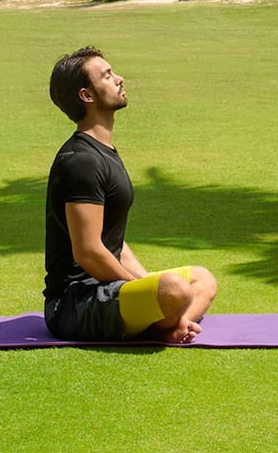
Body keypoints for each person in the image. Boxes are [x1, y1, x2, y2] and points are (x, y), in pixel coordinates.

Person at [43, 48, 218, 344]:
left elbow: (114, 243)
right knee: (174, 290)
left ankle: (172, 325)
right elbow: (87, 252)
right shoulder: (81, 161)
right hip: (75, 304)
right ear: (87, 96)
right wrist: (146, 289)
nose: (119, 79)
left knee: (202, 279)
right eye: (107, 76)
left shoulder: (104, 152)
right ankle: (167, 324)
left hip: (108, 293)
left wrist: (148, 288)